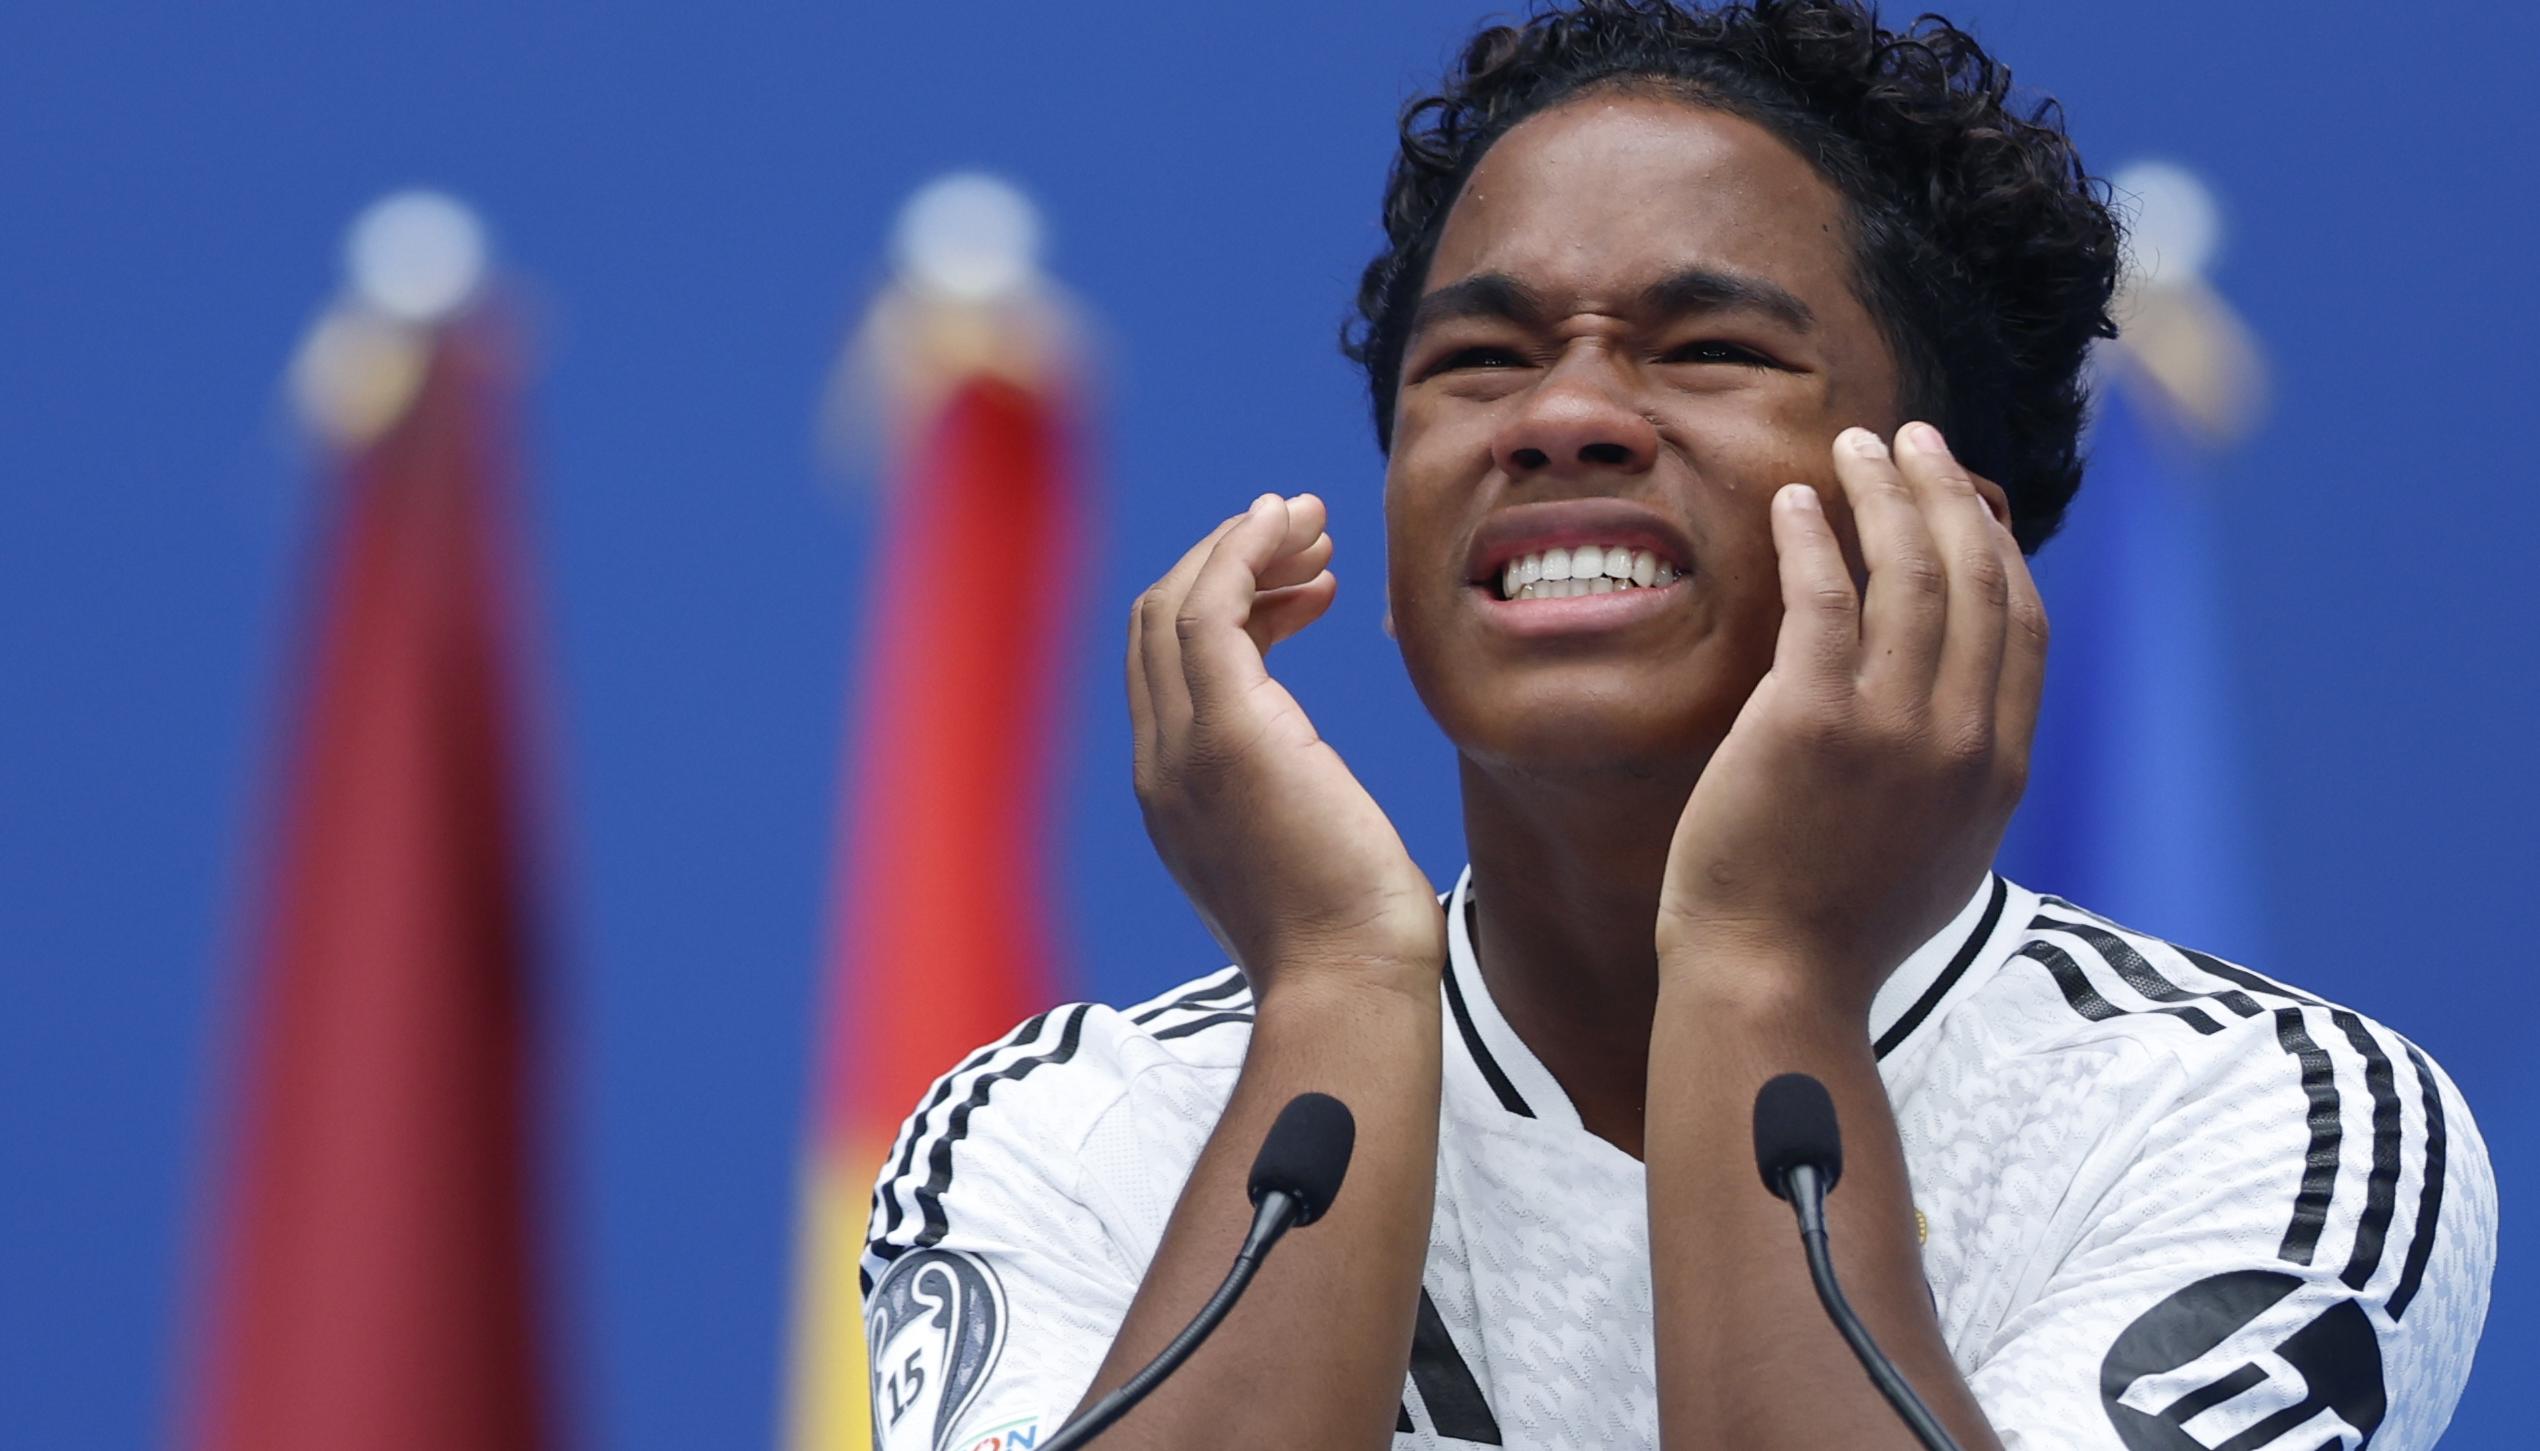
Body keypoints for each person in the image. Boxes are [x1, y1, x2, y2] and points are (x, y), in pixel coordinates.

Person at [859, 2, 2496, 1446]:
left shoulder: (2263, 1116)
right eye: (1478, 360)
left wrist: (1763, 962)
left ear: (1949, 533)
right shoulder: (1059, 1130)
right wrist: (1343, 983)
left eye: (1708, 348)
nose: (1561, 418)